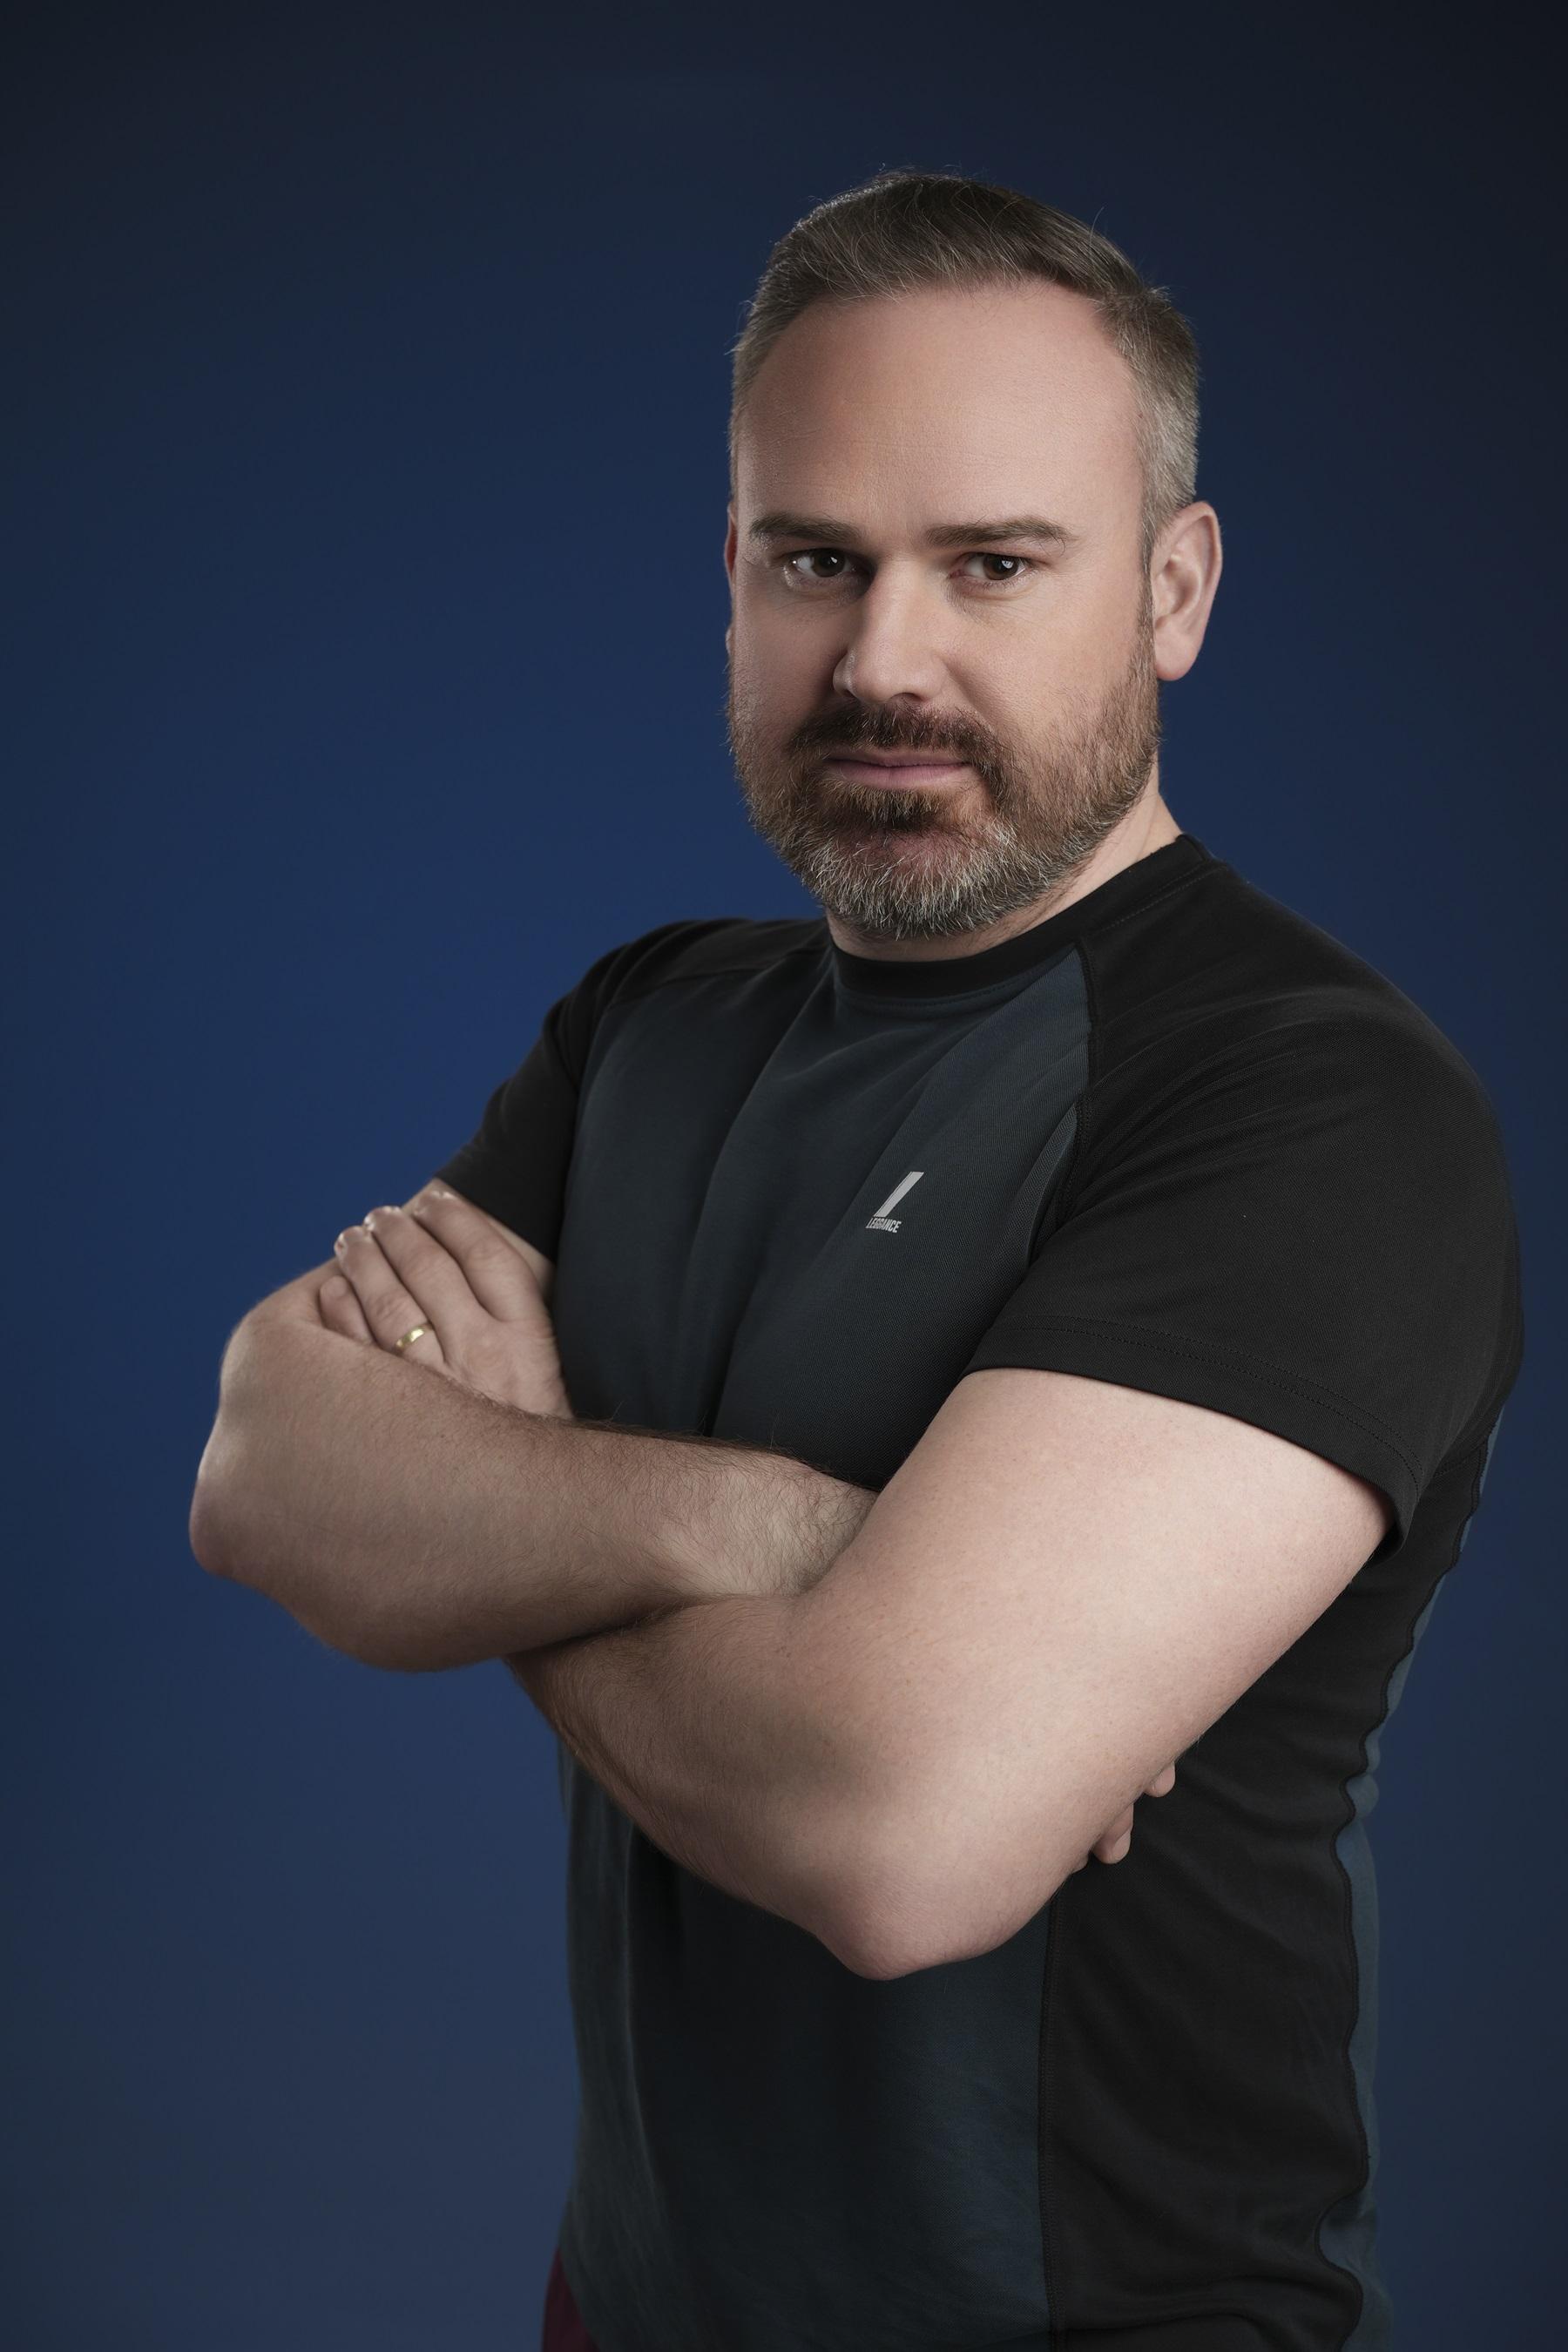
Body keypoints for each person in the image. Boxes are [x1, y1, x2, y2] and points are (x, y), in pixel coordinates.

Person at [189, 170, 1524, 2352]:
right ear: (731, 578)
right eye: (818, 561)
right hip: (633, 2302)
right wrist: (775, 1531)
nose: (886, 659)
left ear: (1175, 589)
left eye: (994, 563)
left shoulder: (1312, 1107)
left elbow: (896, 1841)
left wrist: (499, 1512)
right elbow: (263, 1461)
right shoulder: (647, 1024)